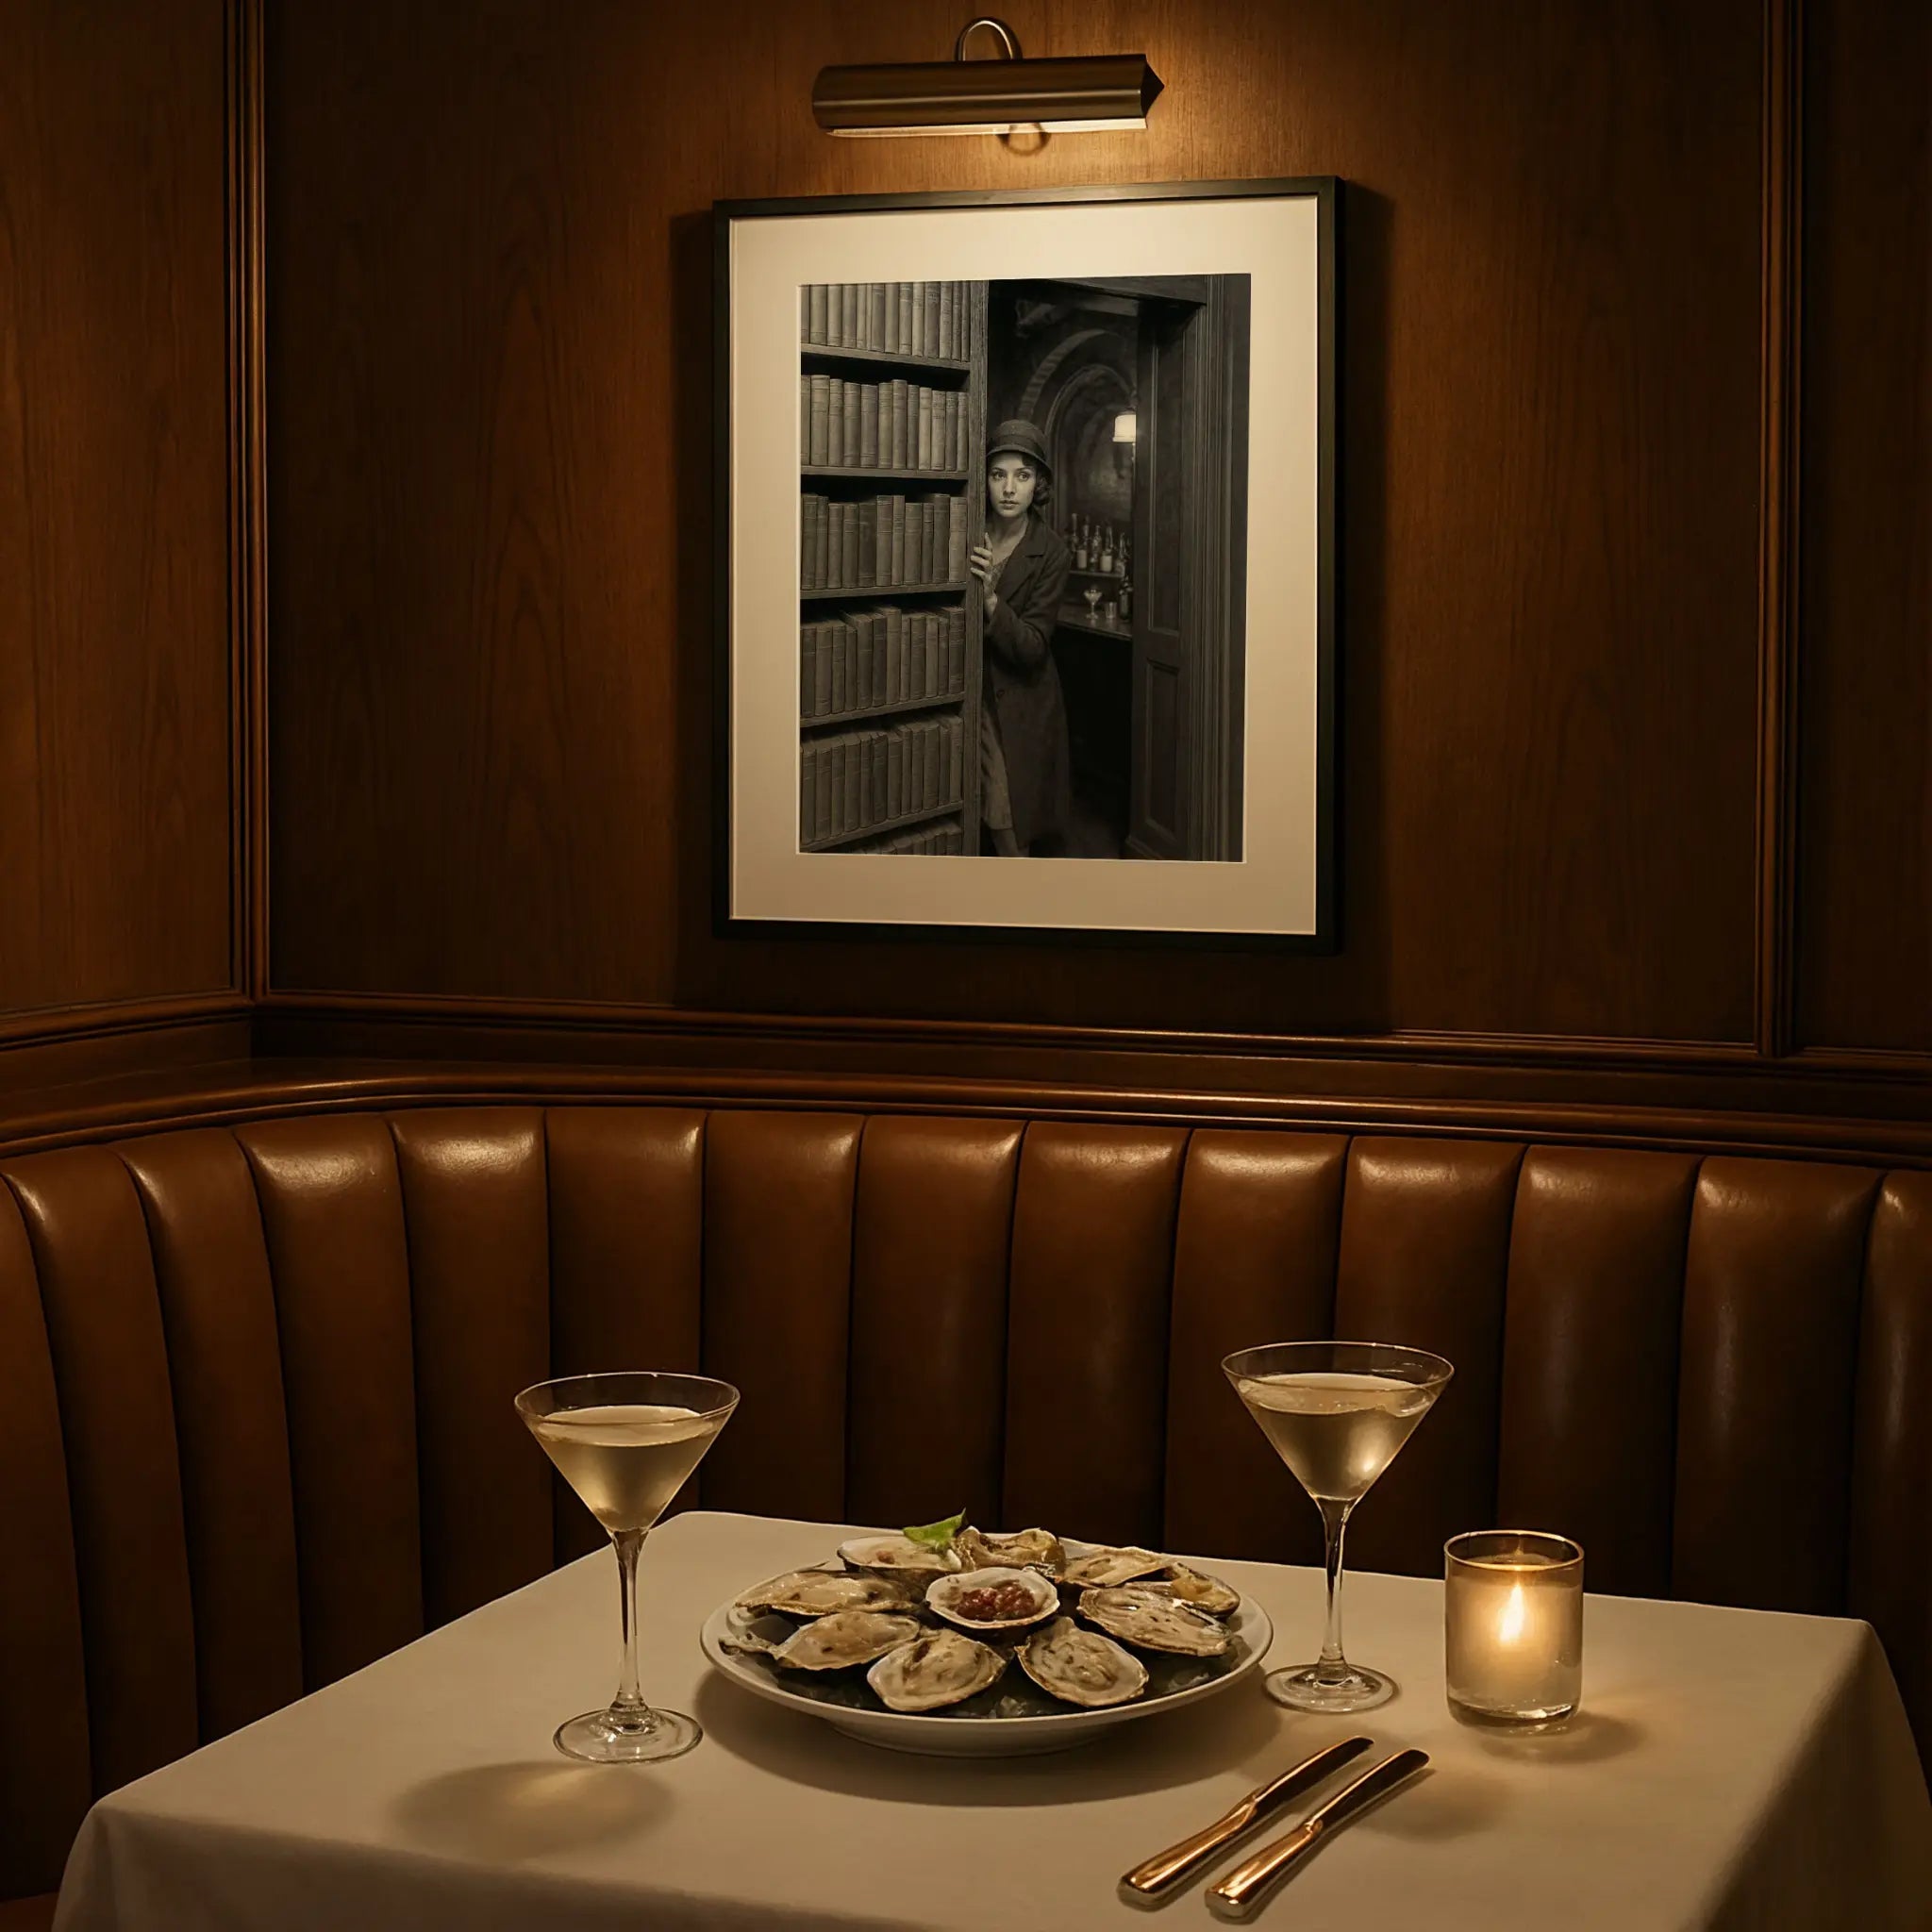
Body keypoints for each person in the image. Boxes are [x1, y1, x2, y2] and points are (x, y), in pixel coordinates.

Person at [969, 419, 1073, 858]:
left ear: (1038, 486)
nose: (1009, 488)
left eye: (1023, 475)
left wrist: (991, 602)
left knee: (1006, 817)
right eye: (998, 475)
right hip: (965, 689)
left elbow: (1032, 647)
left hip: (1018, 702)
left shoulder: (1051, 552)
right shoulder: (964, 527)